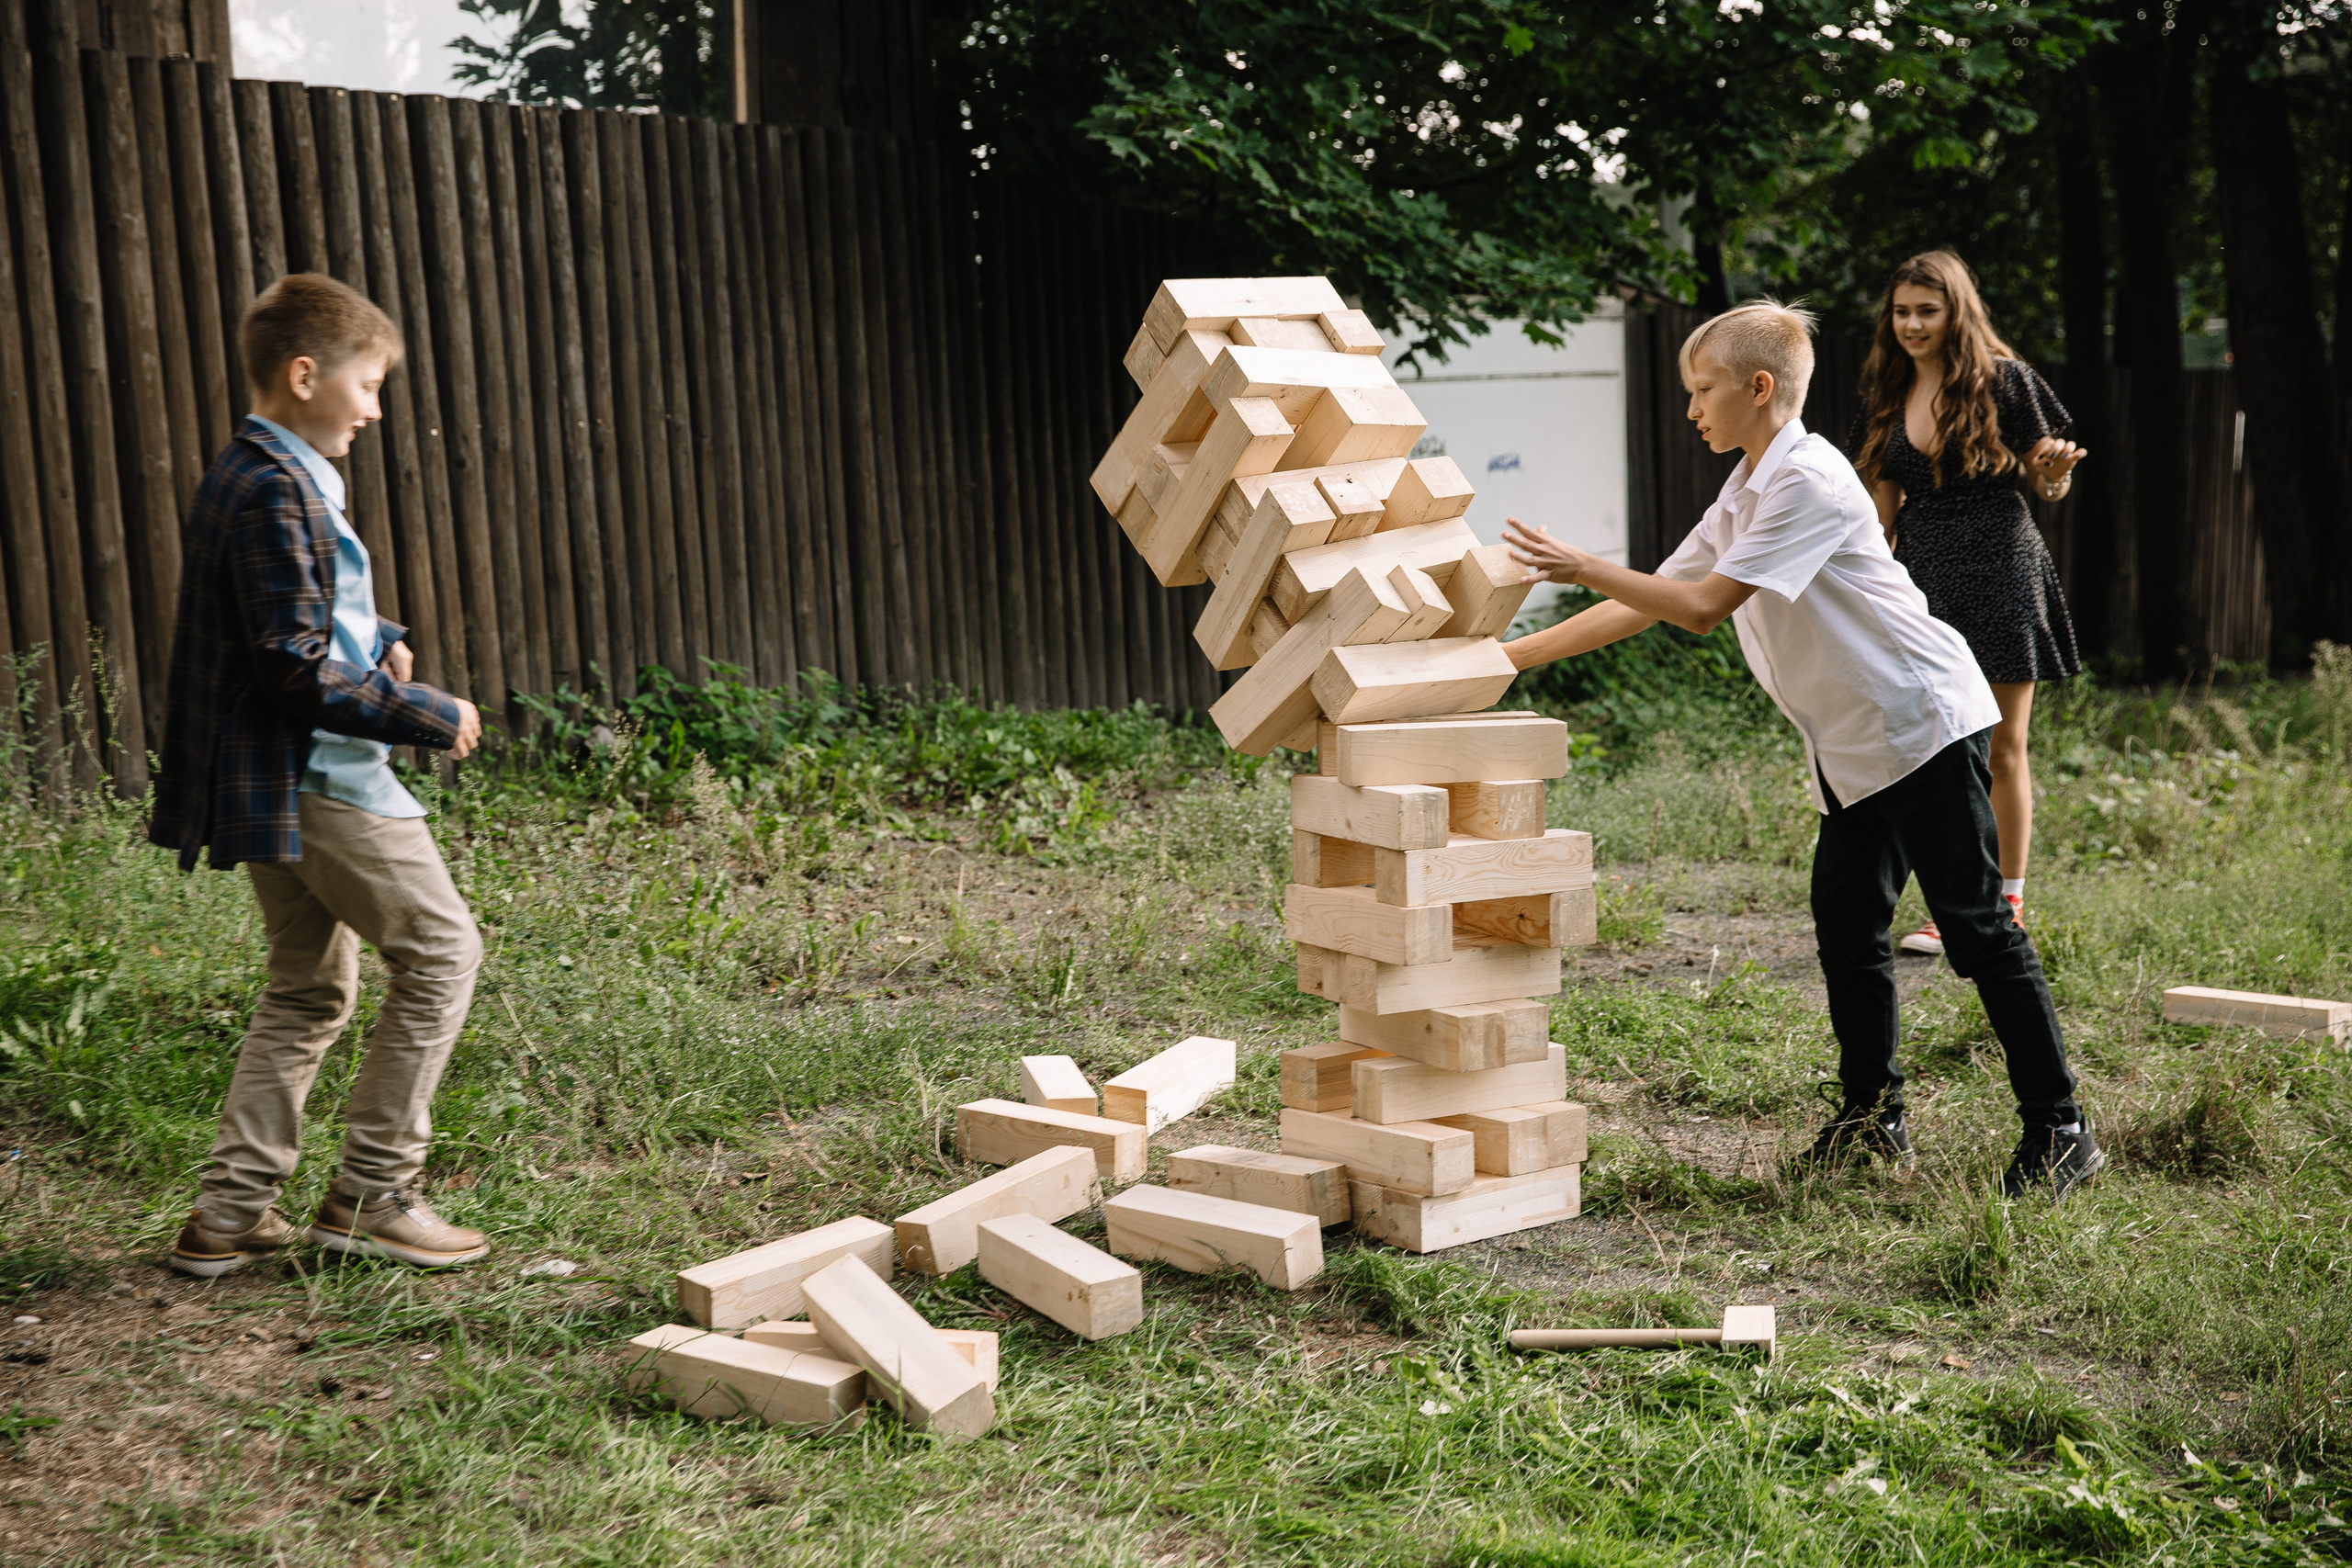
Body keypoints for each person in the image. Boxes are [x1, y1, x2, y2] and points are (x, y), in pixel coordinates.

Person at [1500, 299, 2102, 1200]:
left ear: (1759, 386)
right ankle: (1872, 1121)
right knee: (1848, 931)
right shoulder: (1745, 489)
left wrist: (1581, 562)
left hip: (1919, 727)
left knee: (1976, 931)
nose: (1693, 408)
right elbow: (1650, 596)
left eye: (1702, 391)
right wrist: (1507, 660)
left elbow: (1704, 610)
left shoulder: (1808, 481)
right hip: (1856, 747)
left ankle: (2060, 1131)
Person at [150, 273, 494, 1277]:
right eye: (368, 384)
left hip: (272, 779)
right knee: (440, 954)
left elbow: (293, 618)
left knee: (306, 991)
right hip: (321, 780)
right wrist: (430, 713)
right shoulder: (275, 487)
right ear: (306, 375)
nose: (375, 409)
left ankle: (230, 1215)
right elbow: (291, 664)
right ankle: (374, 1194)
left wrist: (378, 639)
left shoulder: (256, 472)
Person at [1846, 251, 2086, 956]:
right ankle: (1948, 902)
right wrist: (1870, 571)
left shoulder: (2005, 381)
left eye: (1928, 309)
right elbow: (1881, 501)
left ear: (1957, 311)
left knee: (2001, 749)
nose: (1913, 324)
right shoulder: (1884, 393)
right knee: (1933, 745)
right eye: (1902, 311)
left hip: (2001, 566)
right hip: (1921, 578)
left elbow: (2049, 480)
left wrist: (2051, 478)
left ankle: (2002, 903)